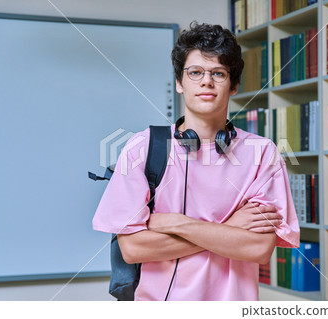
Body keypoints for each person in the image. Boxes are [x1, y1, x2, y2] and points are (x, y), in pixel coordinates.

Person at [92, 22, 299, 301]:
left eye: (219, 73)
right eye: (195, 72)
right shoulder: (142, 148)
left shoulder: (263, 153)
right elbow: (133, 249)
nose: (206, 81)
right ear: (179, 82)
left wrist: (173, 223)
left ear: (234, 85)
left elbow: (258, 248)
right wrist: (230, 230)